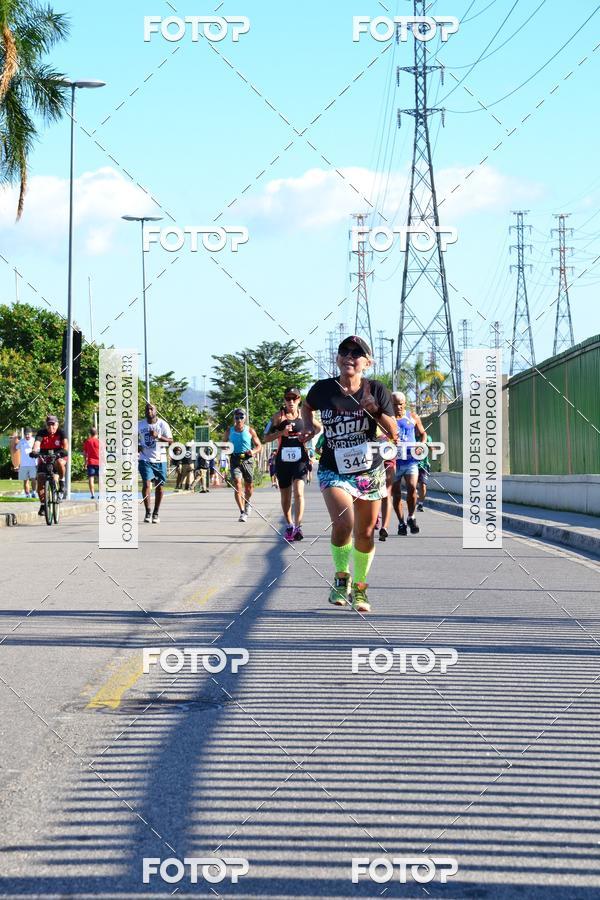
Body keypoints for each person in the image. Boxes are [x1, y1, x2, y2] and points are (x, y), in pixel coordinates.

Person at [303, 336, 398, 613]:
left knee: (366, 532)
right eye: (344, 351)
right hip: (334, 468)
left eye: (357, 353)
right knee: (344, 522)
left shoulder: (377, 389)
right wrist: (310, 425)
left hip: (369, 470)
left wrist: (375, 410)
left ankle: (360, 587)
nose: (349, 356)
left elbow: (392, 432)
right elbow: (307, 406)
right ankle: (341, 577)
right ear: (337, 358)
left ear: (367, 363)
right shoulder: (323, 389)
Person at [264, 387, 312, 542]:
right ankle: (290, 525)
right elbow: (265, 438)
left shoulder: (304, 415)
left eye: (294, 398)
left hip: (300, 460)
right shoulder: (278, 417)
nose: (291, 401)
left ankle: (298, 526)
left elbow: (318, 428)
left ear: (299, 400)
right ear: (284, 400)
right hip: (283, 461)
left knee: (299, 492)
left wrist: (307, 435)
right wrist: (281, 433)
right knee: (285, 497)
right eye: (288, 398)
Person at [392, 391, 427, 535]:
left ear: (405, 403)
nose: (398, 407)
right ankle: (401, 523)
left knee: (413, 487)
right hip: (394, 462)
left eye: (400, 404)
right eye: (395, 404)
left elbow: (423, 433)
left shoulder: (412, 417)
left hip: (410, 460)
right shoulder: (387, 418)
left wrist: (422, 445)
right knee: (396, 494)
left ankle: (411, 517)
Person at [223, 408, 262, 522]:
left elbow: (259, 446)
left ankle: (247, 503)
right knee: (237, 484)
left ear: (245, 418)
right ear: (234, 418)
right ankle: (242, 512)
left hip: (248, 459)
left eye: (241, 417)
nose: (239, 419)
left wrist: (253, 451)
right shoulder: (229, 431)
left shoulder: (250, 430)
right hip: (235, 459)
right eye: (237, 417)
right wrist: (226, 449)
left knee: (249, 488)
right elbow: (223, 444)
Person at [138, 402, 173, 524]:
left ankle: (156, 512)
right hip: (144, 458)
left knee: (160, 486)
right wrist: (137, 446)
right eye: (147, 409)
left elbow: (171, 442)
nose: (149, 411)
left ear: (156, 411)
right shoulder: (140, 424)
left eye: (151, 409)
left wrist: (158, 436)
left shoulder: (163, 424)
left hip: (160, 459)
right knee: (146, 485)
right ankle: (148, 511)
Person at [30, 415, 69, 516]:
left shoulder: (61, 432)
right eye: (49, 425)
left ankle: (62, 482)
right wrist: (34, 451)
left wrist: (61, 452)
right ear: (46, 425)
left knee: (60, 462)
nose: (51, 427)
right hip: (45, 456)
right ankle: (43, 505)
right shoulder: (41, 432)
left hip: (59, 455)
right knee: (40, 478)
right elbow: (37, 443)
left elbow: (65, 446)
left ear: (57, 424)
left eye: (53, 425)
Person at [16, 428, 36, 498]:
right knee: (25, 480)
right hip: (23, 465)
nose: (27, 436)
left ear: (31, 434)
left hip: (33, 464)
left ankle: (33, 492)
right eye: (26, 434)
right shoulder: (21, 441)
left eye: (28, 434)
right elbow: (15, 448)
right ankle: (27, 495)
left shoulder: (34, 441)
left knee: (33, 479)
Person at [82, 427, 101, 499]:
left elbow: (84, 453)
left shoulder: (88, 441)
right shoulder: (100, 442)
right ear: (97, 433)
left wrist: (85, 462)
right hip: (99, 463)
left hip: (90, 462)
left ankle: (92, 495)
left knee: (91, 478)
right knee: (100, 479)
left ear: (90, 433)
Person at [417, 433, 432, 511]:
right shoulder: (411, 437)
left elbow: (431, 449)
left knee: (423, 485)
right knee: (413, 486)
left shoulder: (427, 437)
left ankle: (420, 504)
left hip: (424, 465)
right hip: (412, 465)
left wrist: (428, 445)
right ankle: (415, 497)